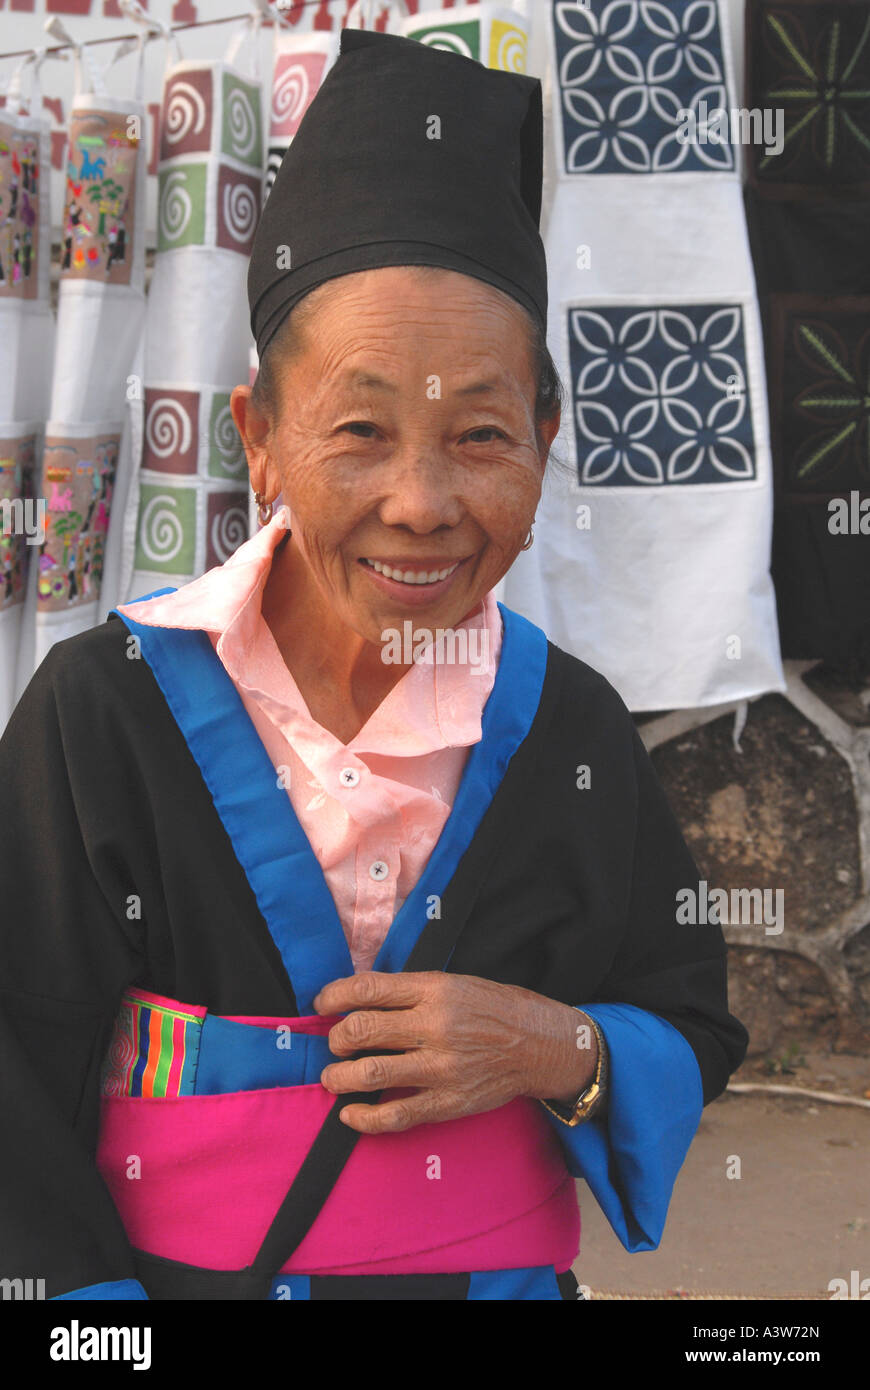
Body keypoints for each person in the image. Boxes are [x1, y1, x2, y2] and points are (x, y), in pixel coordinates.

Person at [0, 28, 747, 1303]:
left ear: (546, 443)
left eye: (481, 436)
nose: (423, 502)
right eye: (361, 429)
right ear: (261, 439)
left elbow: (687, 1019)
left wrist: (549, 1044)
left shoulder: (570, 731)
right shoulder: (103, 715)